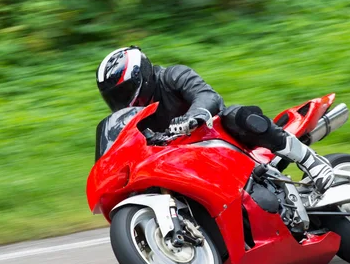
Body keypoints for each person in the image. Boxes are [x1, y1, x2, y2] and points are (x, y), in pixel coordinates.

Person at [95, 46, 335, 192]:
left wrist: (194, 116)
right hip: (178, 158)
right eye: (114, 97)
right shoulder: (134, 116)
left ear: (143, 77)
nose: (122, 101)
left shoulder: (173, 76)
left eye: (124, 92)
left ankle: (311, 161)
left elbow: (207, 96)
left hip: (214, 137)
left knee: (238, 116)